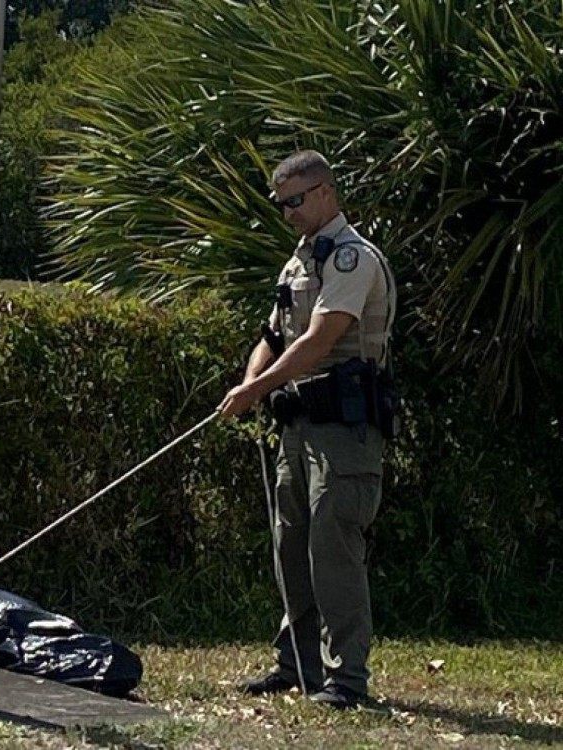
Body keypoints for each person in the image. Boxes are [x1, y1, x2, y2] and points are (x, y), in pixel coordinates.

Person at [217, 150, 396, 709]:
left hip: (345, 427)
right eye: (281, 204)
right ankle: (296, 661)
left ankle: (347, 680)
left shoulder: (352, 259)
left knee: (332, 545)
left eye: (295, 201)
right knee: (289, 542)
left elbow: (320, 339)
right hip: (297, 424)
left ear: (324, 192)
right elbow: (273, 334)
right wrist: (251, 382)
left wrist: (256, 390)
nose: (288, 213)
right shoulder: (297, 264)